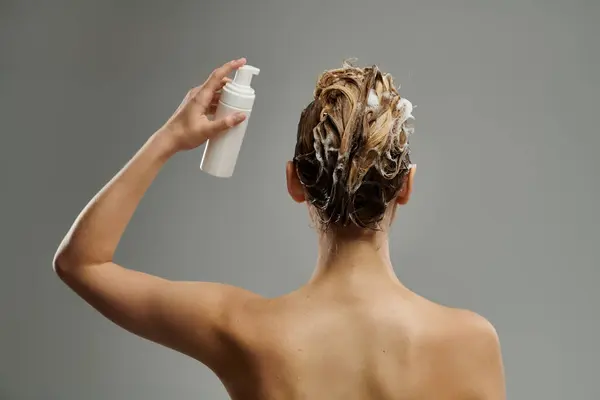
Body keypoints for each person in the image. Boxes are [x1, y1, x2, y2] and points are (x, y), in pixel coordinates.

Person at [53, 58, 506, 399]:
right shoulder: (472, 342)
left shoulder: (245, 330)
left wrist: (169, 138)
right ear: (405, 186)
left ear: (294, 182)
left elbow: (81, 263)